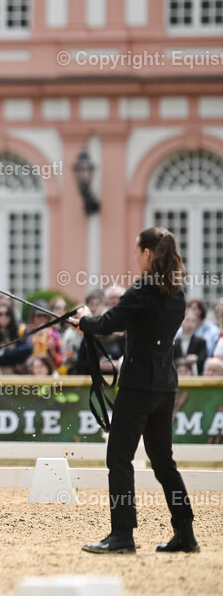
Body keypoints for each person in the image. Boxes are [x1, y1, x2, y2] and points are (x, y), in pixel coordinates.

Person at [73, 227, 198, 554]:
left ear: (147, 253)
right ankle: (185, 532)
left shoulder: (143, 289)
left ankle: (122, 534)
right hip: (164, 387)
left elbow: (109, 323)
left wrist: (84, 320)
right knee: (163, 462)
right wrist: (91, 323)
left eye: (136, 251)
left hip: (137, 386)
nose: (135, 257)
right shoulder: (177, 292)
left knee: (118, 458)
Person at [173, 306, 208, 375]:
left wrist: (196, 358)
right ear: (181, 322)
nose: (190, 324)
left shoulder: (201, 342)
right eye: (187, 320)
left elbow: (204, 359)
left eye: (193, 321)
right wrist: (182, 361)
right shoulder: (174, 342)